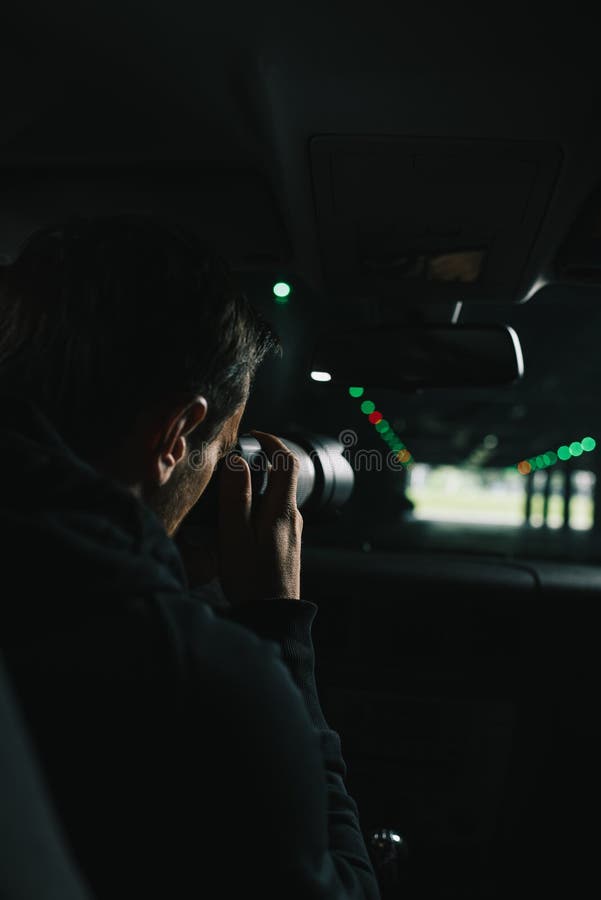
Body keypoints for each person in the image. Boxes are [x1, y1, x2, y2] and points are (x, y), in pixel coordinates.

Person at [0, 215, 381, 900]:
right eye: (221, 447)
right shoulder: (185, 671)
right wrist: (276, 629)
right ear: (175, 433)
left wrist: (158, 567)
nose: (217, 474)